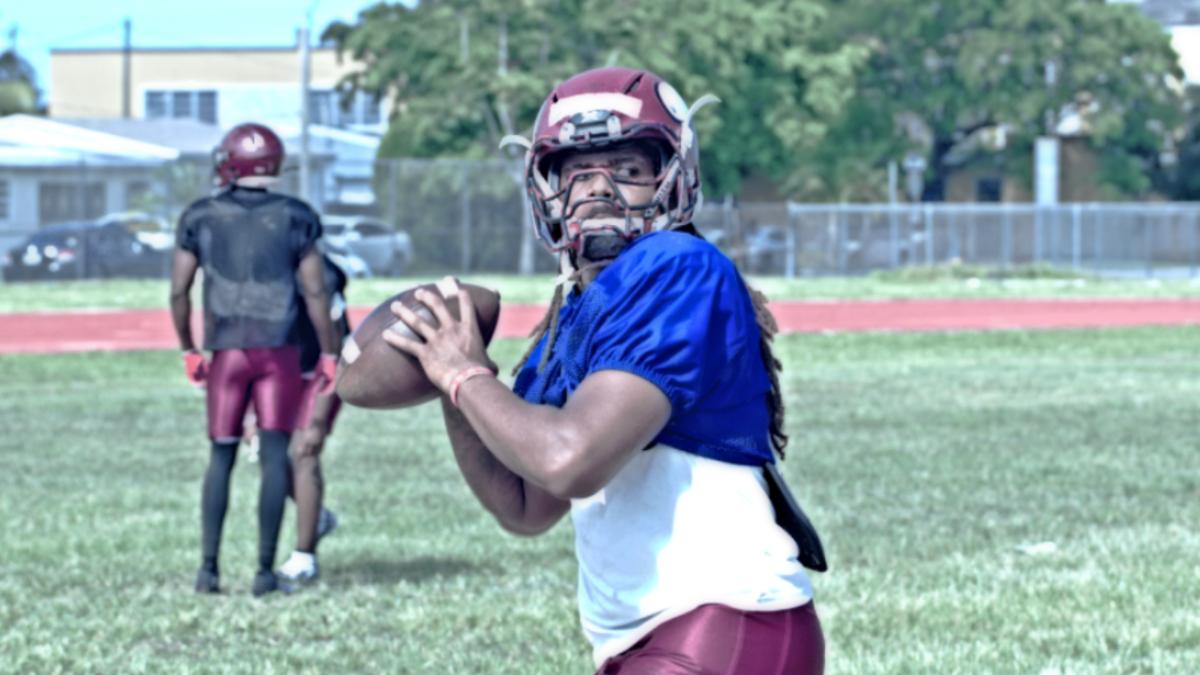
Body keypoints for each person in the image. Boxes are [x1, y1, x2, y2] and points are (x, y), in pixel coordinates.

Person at [383, 67, 824, 674]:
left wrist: (467, 377)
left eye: (626, 170)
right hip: (656, 636)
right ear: (544, 187)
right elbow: (525, 505)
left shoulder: (677, 266)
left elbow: (571, 461)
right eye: (575, 171)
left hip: (721, 619)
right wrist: (453, 376)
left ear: (673, 178)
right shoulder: (576, 312)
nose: (597, 190)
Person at [170, 122, 341, 597]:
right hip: (279, 351)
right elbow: (314, 291)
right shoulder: (295, 215)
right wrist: (328, 351)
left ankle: (209, 570)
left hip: (227, 349)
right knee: (272, 459)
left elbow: (179, 291)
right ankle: (264, 574)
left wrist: (188, 347)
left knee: (220, 457)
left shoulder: (201, 215)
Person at [276, 250, 351, 583]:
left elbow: (335, 351)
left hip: (322, 372)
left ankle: (305, 556)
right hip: (278, 373)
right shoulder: (249, 272)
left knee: (304, 452)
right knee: (272, 456)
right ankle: (317, 517)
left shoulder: (322, 273)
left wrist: (320, 418)